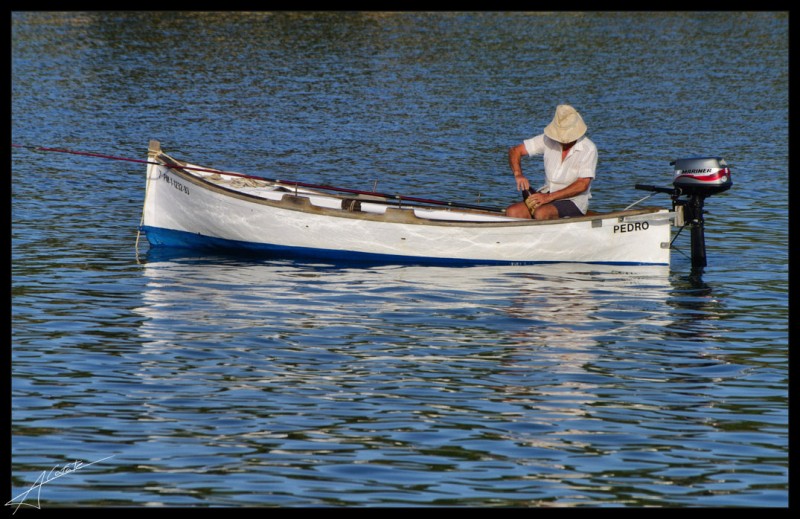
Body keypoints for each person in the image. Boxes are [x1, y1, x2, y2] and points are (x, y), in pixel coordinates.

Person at [505, 104, 597, 220]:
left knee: (541, 213)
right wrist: (518, 174)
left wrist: (549, 197)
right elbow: (515, 151)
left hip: (574, 201)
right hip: (546, 193)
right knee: (513, 212)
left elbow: (582, 184)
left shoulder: (588, 148)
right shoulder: (548, 139)